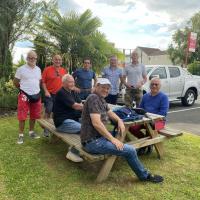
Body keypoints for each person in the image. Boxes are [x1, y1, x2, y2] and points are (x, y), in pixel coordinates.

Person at [80, 78, 164, 183]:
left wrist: (119, 120)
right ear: (96, 86)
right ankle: (144, 176)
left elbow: (110, 113)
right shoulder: (93, 98)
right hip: (92, 142)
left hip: (95, 138)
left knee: (121, 136)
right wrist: (112, 139)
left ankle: (128, 153)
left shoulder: (100, 99)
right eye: (103, 87)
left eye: (107, 88)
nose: (105, 90)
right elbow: (97, 123)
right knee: (130, 150)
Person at [129, 77, 169, 154]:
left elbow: (163, 113)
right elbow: (140, 109)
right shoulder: (145, 96)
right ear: (150, 85)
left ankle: (146, 145)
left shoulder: (164, 97)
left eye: (156, 84)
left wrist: (150, 119)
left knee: (150, 130)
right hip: (145, 120)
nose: (154, 86)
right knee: (132, 128)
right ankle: (145, 143)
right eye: (152, 84)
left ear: (160, 86)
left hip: (160, 123)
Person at [53, 74, 83, 162]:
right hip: (62, 122)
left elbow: (80, 103)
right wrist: (91, 107)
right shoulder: (61, 92)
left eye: (73, 81)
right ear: (64, 83)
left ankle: (78, 148)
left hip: (73, 119)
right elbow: (76, 106)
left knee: (91, 124)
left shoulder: (72, 91)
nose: (72, 84)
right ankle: (72, 153)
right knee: (85, 129)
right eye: (70, 82)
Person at [14, 51, 42, 144]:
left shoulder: (38, 69)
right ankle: (21, 135)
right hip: (24, 95)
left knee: (34, 115)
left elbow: (39, 81)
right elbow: (15, 82)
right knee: (22, 115)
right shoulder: (21, 69)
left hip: (36, 94)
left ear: (36, 59)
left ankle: (31, 132)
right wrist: (22, 89)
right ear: (27, 58)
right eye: (30, 58)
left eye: (34, 58)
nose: (32, 59)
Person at [42, 54, 67, 136]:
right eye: (56, 59)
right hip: (49, 94)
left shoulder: (64, 71)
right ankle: (45, 129)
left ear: (61, 61)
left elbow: (65, 83)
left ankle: (54, 128)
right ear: (53, 60)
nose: (58, 61)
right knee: (48, 110)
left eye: (59, 59)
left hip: (60, 96)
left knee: (57, 112)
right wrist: (46, 91)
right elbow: (43, 82)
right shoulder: (47, 69)